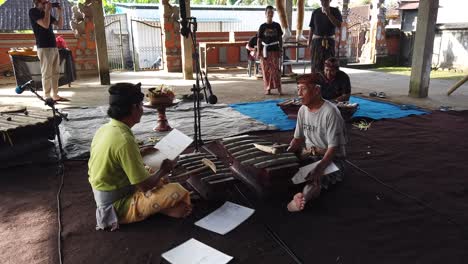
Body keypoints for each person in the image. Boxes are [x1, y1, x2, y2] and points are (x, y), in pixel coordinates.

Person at [88, 83, 191, 231]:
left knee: (150, 170)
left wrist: (140, 152)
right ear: (134, 108)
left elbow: (116, 158)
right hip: (117, 205)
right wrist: (164, 169)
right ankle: (149, 209)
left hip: (112, 188)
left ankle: (159, 207)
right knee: (176, 190)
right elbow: (145, 186)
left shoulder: (106, 128)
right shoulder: (124, 139)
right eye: (141, 106)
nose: (142, 110)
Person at [287, 73, 347, 212]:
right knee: (288, 173)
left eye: (303, 89)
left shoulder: (331, 112)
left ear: (316, 90)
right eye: (298, 89)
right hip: (309, 155)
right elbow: (298, 139)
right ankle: (299, 192)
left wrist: (319, 168)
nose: (299, 94)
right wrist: (284, 157)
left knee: (315, 177)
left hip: (333, 159)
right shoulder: (302, 109)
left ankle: (302, 199)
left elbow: (333, 149)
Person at [29, 0, 68, 102]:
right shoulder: (33, 12)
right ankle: (47, 96)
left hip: (53, 46)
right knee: (46, 73)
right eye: (44, 2)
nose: (47, 3)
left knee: (56, 72)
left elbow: (59, 25)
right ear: (37, 2)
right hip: (43, 46)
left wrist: (60, 13)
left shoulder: (46, 13)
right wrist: (47, 11)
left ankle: (55, 95)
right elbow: (45, 25)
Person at [308, 0, 342, 73]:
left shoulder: (335, 11)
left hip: (329, 42)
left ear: (330, 1)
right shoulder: (315, 12)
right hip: (316, 42)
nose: (324, 2)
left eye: (326, 0)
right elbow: (312, 28)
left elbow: (339, 25)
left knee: (329, 63)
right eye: (322, 0)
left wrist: (329, 14)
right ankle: (317, 81)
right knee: (316, 64)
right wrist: (309, 41)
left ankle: (328, 82)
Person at [257, 5, 283, 95]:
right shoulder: (262, 26)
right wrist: (258, 51)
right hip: (265, 51)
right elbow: (259, 40)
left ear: (273, 14)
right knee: (266, 70)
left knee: (276, 70)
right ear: (265, 14)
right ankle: (268, 88)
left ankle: (279, 88)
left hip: (275, 50)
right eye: (268, 12)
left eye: (272, 12)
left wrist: (281, 49)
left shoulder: (277, 25)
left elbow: (280, 38)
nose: (270, 14)